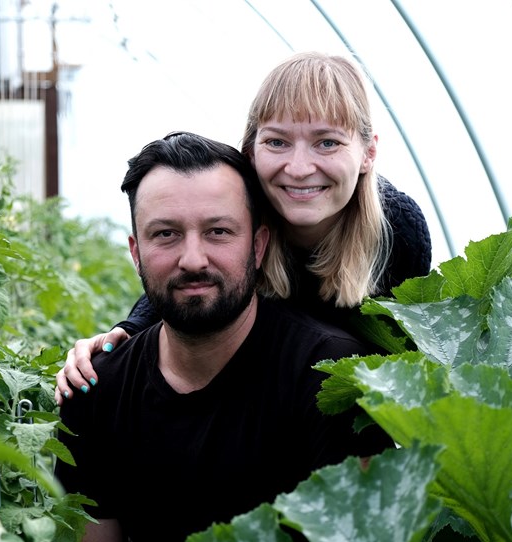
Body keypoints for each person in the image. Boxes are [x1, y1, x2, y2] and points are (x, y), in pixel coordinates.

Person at [54, 132, 392, 542]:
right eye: (166, 234)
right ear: (135, 252)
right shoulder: (97, 390)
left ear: (257, 247)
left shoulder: (332, 376)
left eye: (218, 231)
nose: (193, 259)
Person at [54, 51, 432, 403]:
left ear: (368, 153)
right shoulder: (239, 213)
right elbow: (189, 271)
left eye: (328, 143)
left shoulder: (398, 231)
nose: (299, 168)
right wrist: (127, 332)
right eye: (277, 142)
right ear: (251, 151)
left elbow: (395, 364)